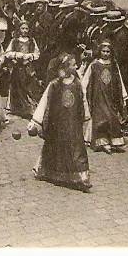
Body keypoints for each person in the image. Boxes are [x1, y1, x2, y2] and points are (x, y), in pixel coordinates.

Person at [28, 53, 91, 193]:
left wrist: (86, 116)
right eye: (73, 65)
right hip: (57, 124)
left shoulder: (77, 84)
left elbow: (83, 100)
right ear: (65, 67)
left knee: (77, 150)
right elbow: (44, 102)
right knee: (54, 148)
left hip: (74, 125)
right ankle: (48, 172)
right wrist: (35, 122)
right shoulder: (54, 85)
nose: (76, 67)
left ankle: (82, 177)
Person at [82, 40, 128, 154]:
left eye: (108, 51)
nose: (105, 53)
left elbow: (119, 81)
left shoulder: (114, 65)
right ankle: (102, 142)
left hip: (111, 96)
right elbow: (86, 80)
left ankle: (114, 141)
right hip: (98, 97)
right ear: (99, 51)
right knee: (101, 119)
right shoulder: (94, 65)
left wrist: (122, 95)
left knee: (112, 117)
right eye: (103, 51)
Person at [3, 19, 41, 119]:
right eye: (22, 28)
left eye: (26, 28)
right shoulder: (14, 41)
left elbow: (37, 54)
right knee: (17, 87)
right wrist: (16, 55)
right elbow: (7, 53)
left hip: (28, 68)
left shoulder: (32, 41)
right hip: (17, 68)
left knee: (29, 87)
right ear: (19, 29)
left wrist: (30, 56)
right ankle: (18, 108)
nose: (24, 31)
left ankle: (30, 108)